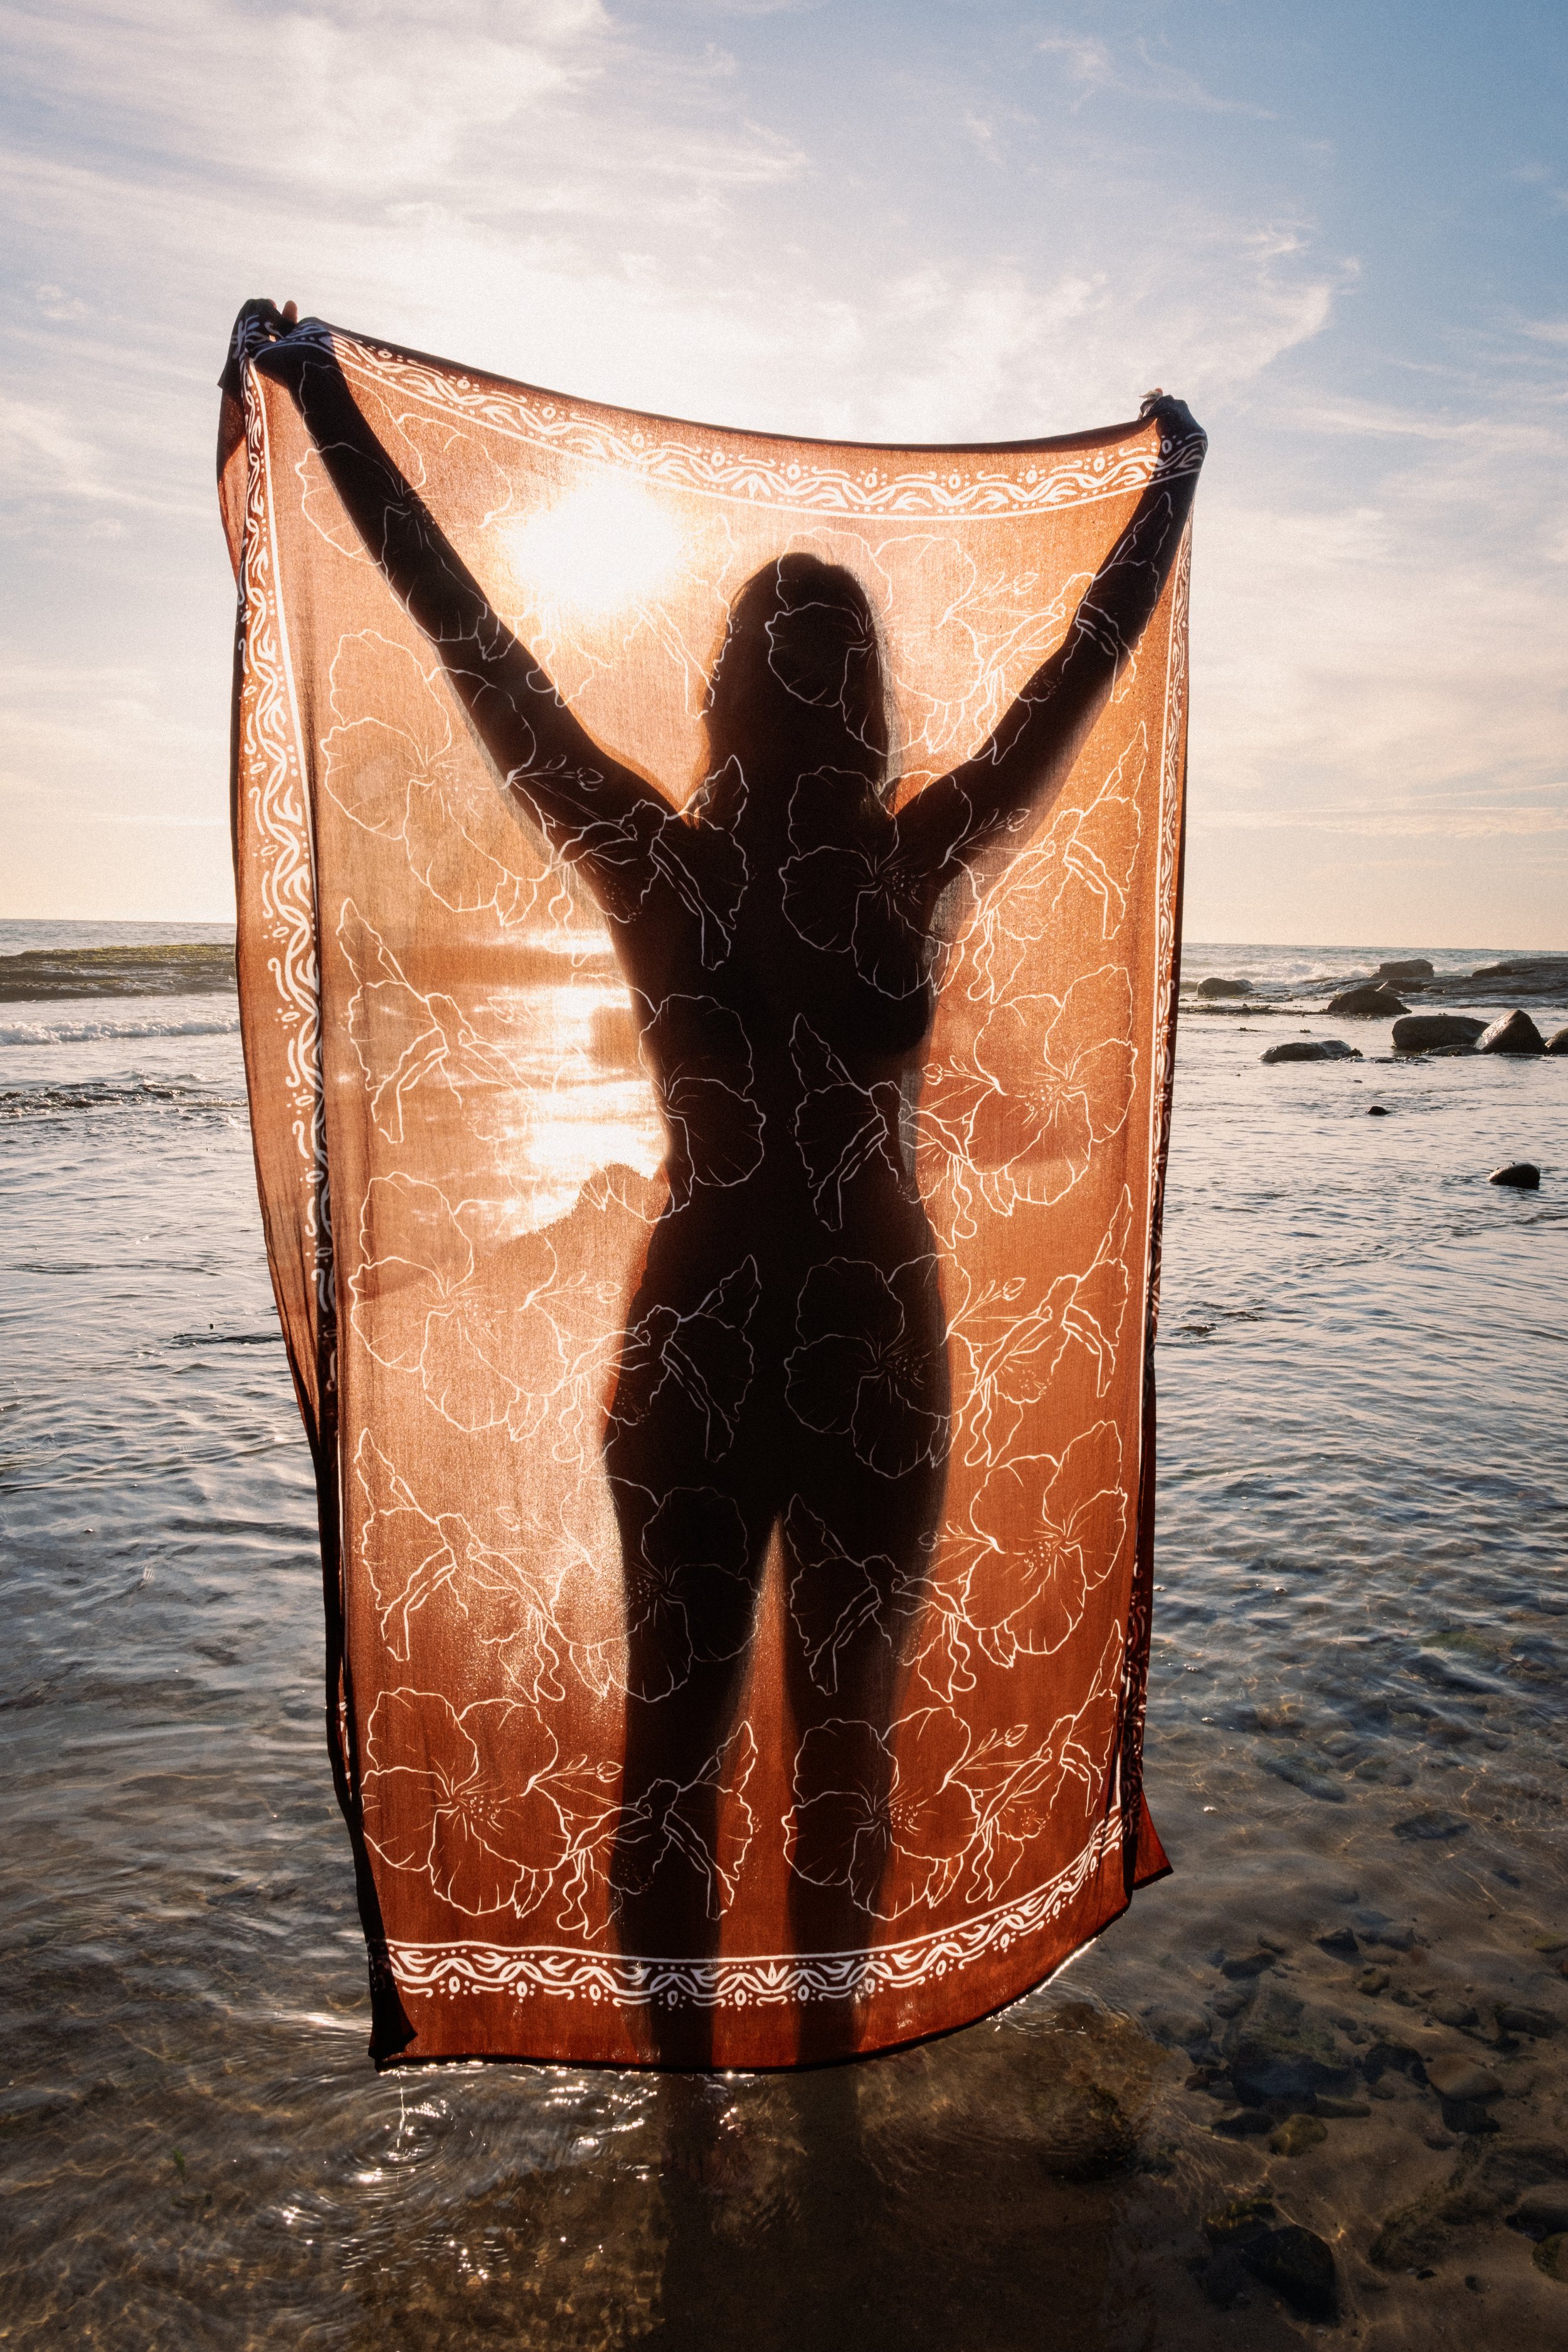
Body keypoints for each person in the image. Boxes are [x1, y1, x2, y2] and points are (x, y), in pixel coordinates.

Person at [243, 302, 1204, 2057]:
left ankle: (704, 2132)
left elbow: (476, 640)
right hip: (861, 1341)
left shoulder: (657, 855)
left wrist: (327, 407)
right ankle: (796, 2090)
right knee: (801, 1738)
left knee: (683, 1749)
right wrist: (1162, 493)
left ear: (723, 688)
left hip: (702, 1341)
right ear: (861, 694)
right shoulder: (909, 855)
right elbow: (1076, 662)